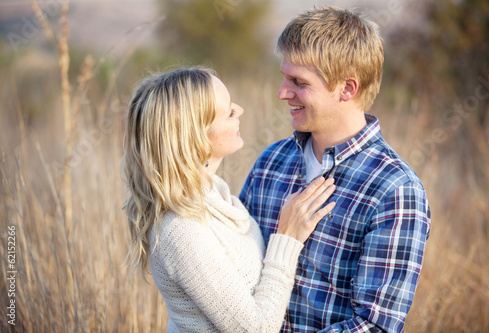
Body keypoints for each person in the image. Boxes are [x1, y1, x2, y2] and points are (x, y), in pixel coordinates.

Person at [239, 7, 431, 333]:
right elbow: (235, 270)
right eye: (285, 78)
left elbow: (374, 326)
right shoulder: (271, 162)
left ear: (347, 89)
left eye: (299, 82)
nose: (282, 93)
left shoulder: (395, 190)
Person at [122, 67, 337, 332]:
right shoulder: (182, 230)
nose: (240, 111)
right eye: (229, 113)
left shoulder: (219, 198)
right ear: (196, 135)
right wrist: (288, 239)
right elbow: (256, 329)